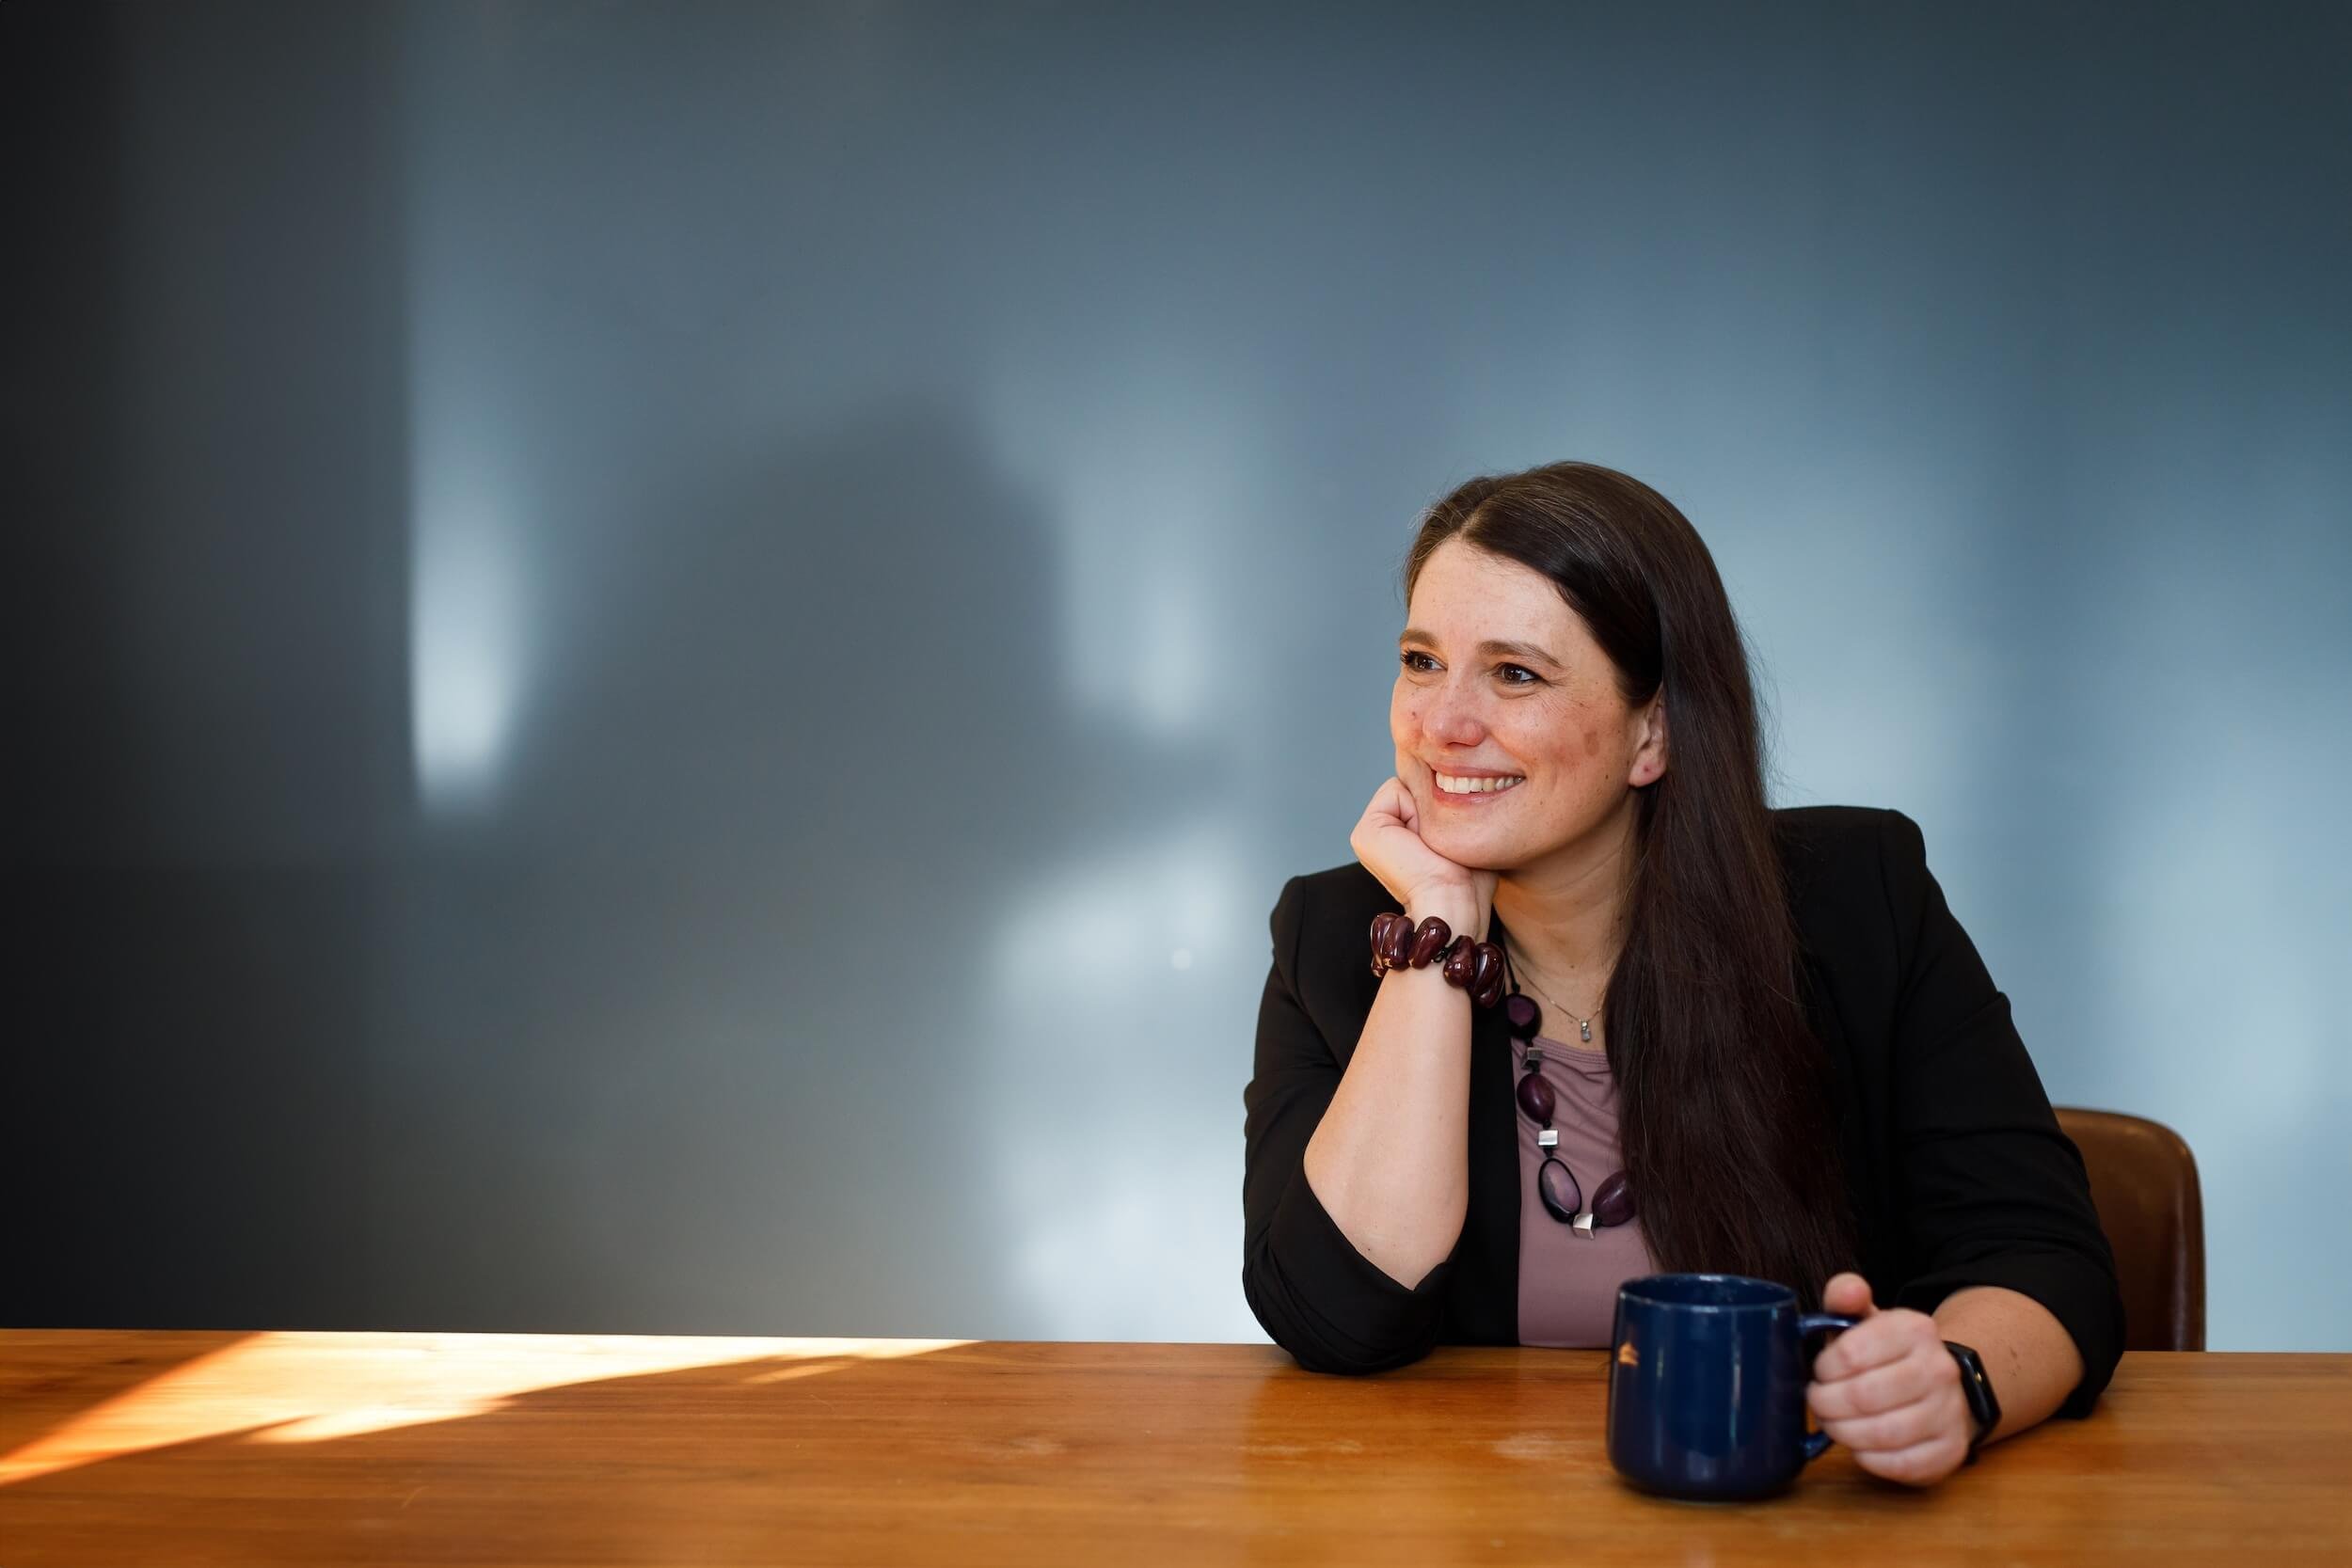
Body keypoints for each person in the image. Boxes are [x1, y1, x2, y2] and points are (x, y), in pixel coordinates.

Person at [1241, 461, 2123, 1489]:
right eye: (1422, 659)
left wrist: (1956, 1381)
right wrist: (1436, 929)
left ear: (1650, 733)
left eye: (1514, 673)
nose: (1440, 723)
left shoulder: (1856, 900)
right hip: (1472, 1528)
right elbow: (1336, 1315)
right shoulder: (1345, 930)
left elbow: (2044, 1258)